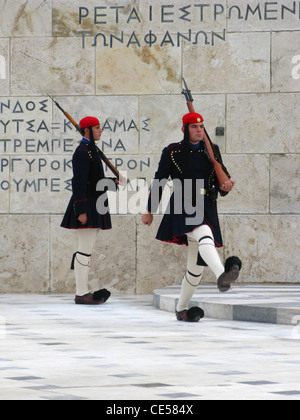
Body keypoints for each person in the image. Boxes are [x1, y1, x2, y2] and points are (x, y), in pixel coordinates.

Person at [142, 112, 242, 322]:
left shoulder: (212, 150)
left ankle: (182, 309)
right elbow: (159, 180)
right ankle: (222, 275)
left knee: (195, 268)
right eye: (194, 127)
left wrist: (225, 186)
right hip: (183, 203)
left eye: (201, 126)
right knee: (205, 233)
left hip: (207, 204)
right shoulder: (173, 151)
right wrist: (150, 209)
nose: (199, 130)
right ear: (184, 130)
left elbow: (221, 180)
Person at [61, 116, 122, 305]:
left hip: (95, 201)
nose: (100, 130)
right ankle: (81, 293)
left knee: (86, 248)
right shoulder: (82, 152)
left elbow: (95, 179)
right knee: (84, 249)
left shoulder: (91, 150)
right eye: (96, 128)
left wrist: (112, 182)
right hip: (87, 203)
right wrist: (81, 210)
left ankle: (82, 291)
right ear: (86, 130)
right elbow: (78, 182)